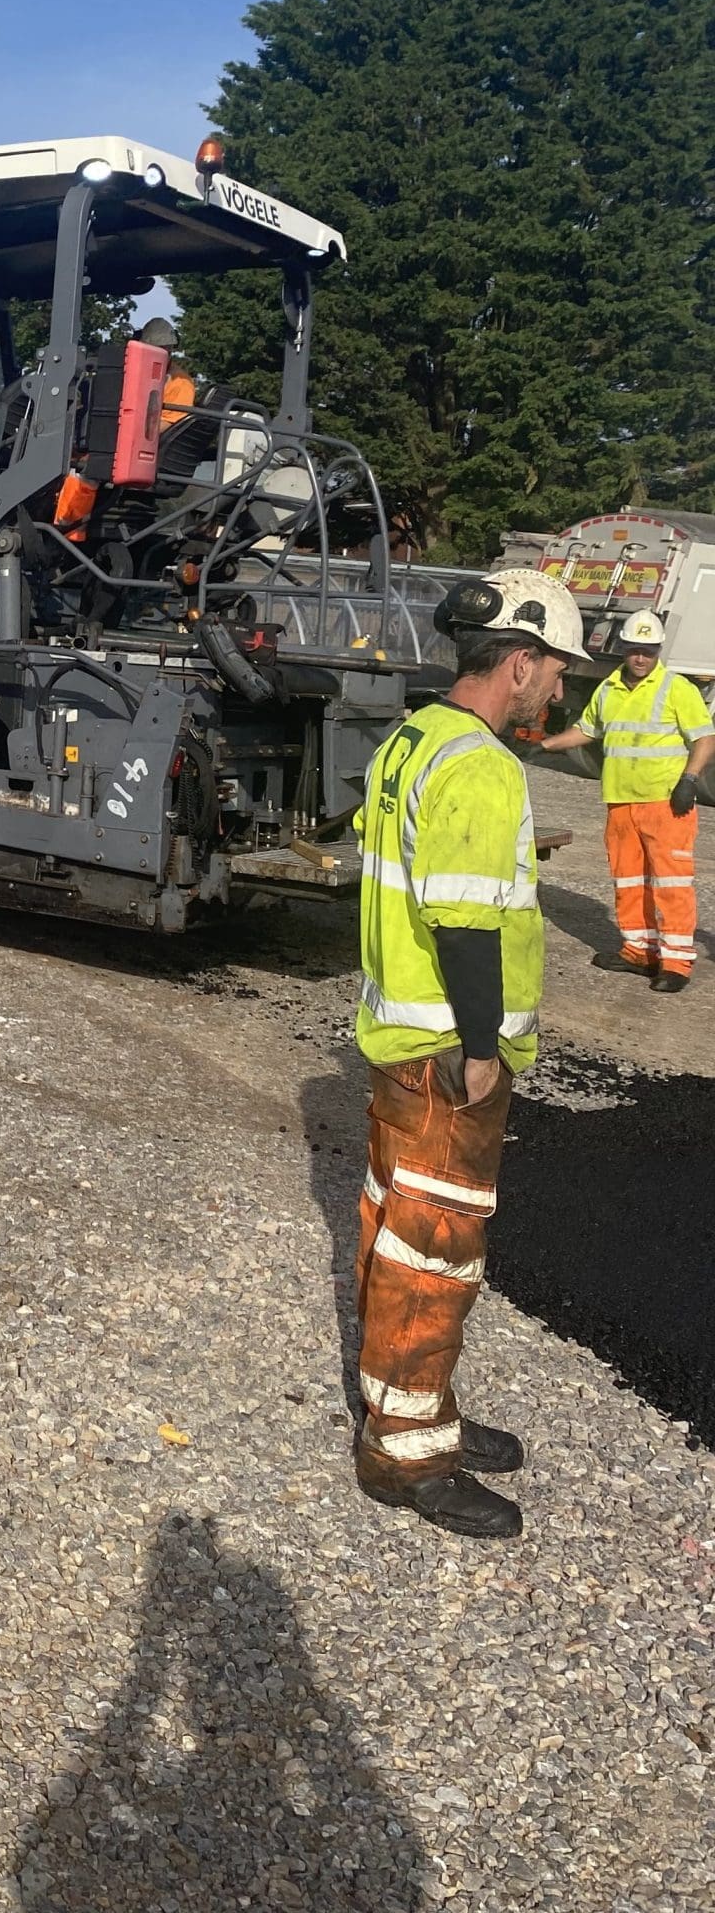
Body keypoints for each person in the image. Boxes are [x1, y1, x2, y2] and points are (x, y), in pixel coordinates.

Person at [351, 568, 591, 1538]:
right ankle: (407, 1458)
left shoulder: (413, 738)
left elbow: (424, 873)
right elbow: (459, 919)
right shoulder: (481, 764)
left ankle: (413, 1403)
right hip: (448, 1055)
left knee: (392, 1233)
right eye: (555, 671)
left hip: (397, 1045)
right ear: (521, 659)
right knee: (434, 1253)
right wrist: (484, 1046)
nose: (559, 692)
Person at [538, 609, 714, 991]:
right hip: (621, 803)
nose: (640, 658)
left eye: (648, 651)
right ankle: (639, 951)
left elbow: (704, 738)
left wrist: (690, 779)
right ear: (624, 649)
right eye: (635, 650)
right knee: (629, 880)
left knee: (671, 883)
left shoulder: (676, 688)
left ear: (658, 650)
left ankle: (676, 964)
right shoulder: (609, 688)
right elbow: (588, 730)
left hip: (667, 804)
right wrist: (544, 745)